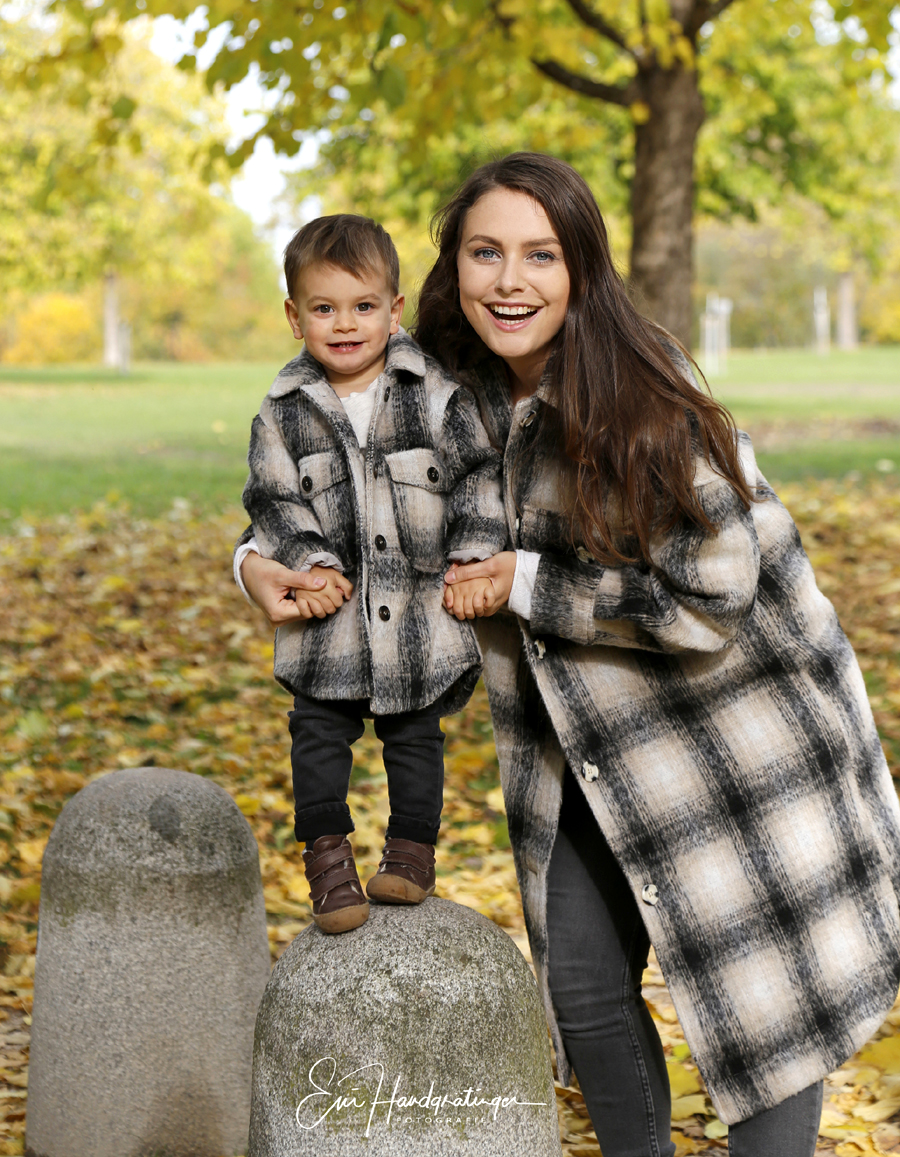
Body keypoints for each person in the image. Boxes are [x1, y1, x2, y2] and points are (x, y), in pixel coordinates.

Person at [238, 157, 900, 1156]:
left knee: (768, 1018)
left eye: (540, 255)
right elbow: (330, 478)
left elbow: (716, 591)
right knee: (585, 993)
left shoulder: (646, 397)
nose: (511, 280)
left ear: (582, 267)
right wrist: (253, 562)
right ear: (452, 268)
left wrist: (526, 582)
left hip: (738, 747)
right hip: (581, 748)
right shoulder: (442, 389)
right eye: (486, 252)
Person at [237, 213, 505, 934]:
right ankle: (327, 862)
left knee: (416, 738)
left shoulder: (436, 394)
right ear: (294, 317)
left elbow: (478, 478)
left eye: (363, 306)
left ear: (395, 309)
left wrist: (474, 554)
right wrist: (307, 562)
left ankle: (412, 855)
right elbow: (271, 497)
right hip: (328, 627)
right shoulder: (283, 412)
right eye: (324, 308)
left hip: (418, 623)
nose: (345, 324)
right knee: (315, 738)